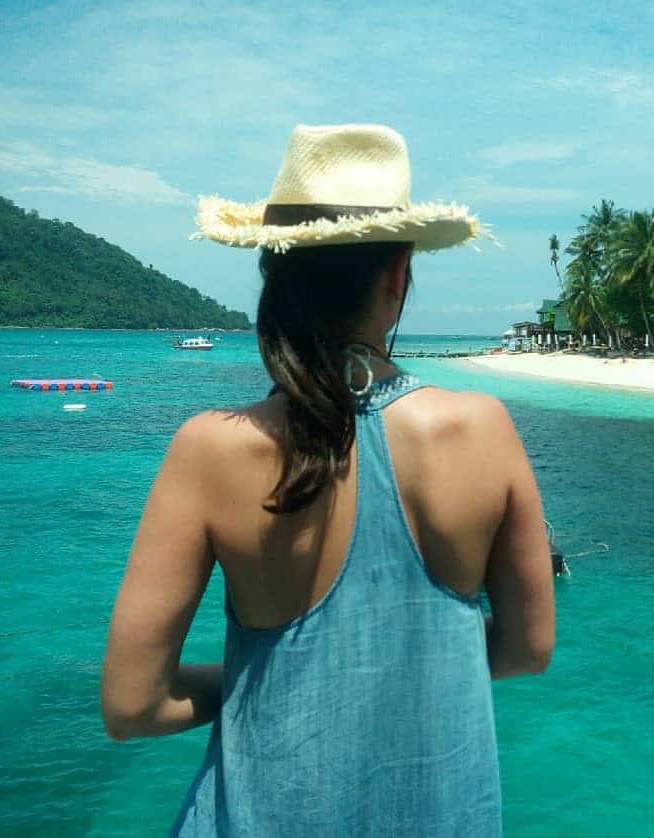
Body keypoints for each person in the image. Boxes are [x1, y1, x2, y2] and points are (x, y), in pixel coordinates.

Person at [100, 124, 555, 836]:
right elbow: (529, 648)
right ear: (397, 274)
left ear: (273, 276)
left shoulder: (209, 449)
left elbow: (132, 705)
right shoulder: (483, 430)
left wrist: (263, 682)